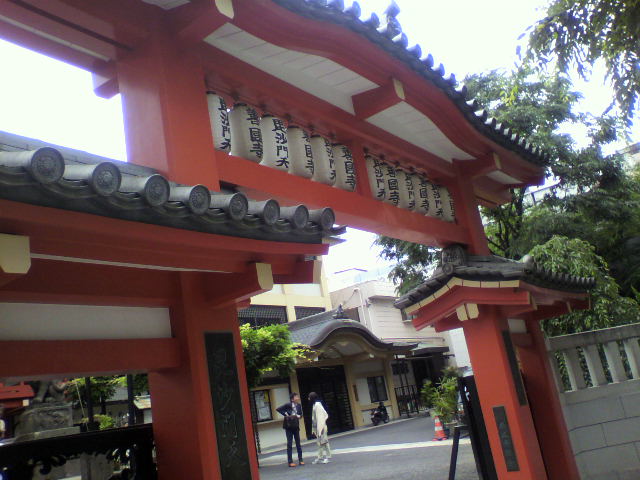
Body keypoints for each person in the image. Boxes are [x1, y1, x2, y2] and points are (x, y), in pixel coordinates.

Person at [276, 392, 304, 467]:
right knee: (289, 443)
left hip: (296, 426)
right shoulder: (287, 405)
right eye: (296, 397)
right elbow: (278, 409)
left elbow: (301, 414)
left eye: (297, 396)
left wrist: (299, 416)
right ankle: (290, 461)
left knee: (298, 443)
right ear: (292, 399)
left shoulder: (299, 405)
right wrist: (286, 415)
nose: (297, 398)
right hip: (288, 427)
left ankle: (301, 460)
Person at [309, 392, 331, 464]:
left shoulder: (317, 405)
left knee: (324, 442)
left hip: (321, 426)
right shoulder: (315, 404)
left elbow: (321, 417)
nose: (308, 399)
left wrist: (320, 429)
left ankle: (327, 457)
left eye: (309, 397)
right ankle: (320, 457)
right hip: (319, 427)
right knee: (320, 443)